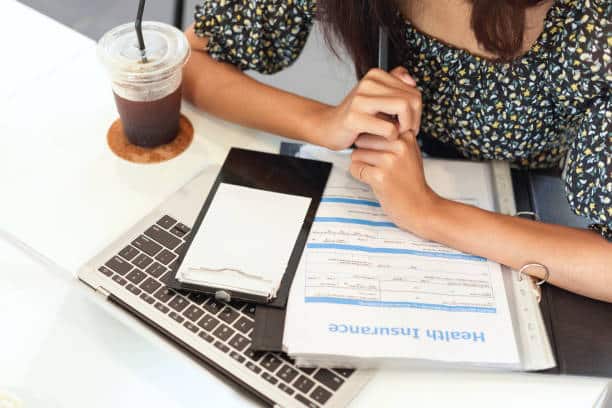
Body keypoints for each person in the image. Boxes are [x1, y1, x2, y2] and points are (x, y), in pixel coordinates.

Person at [182, 0, 611, 302]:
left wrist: (429, 211)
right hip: (404, 181)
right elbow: (186, 62)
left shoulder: (592, 27)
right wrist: (324, 123)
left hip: (540, 211)